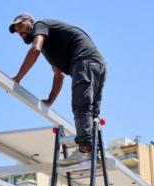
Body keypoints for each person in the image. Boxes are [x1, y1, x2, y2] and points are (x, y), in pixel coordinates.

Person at [9, 13, 106, 165]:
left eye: (21, 25)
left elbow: (35, 49)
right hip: (96, 64)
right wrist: (49, 101)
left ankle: (85, 150)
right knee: (92, 111)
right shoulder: (50, 49)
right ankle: (94, 151)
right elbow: (58, 76)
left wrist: (17, 78)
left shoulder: (40, 26)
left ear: (31, 22)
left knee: (81, 107)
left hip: (85, 61)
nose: (19, 31)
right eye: (16, 30)